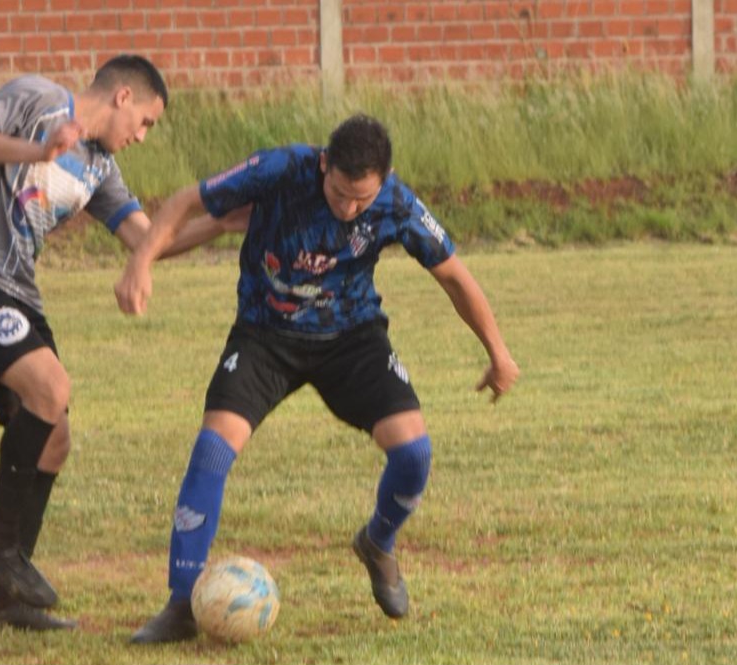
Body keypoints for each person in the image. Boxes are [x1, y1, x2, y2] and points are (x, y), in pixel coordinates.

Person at [115, 113, 520, 643]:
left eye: (362, 200)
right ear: (325, 165)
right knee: (212, 451)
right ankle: (180, 604)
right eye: (339, 193)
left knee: (414, 454)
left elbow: (454, 276)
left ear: (384, 180)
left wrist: (498, 353)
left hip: (351, 339)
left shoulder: (396, 202)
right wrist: (140, 261)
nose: (349, 208)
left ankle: (377, 543)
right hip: (265, 335)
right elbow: (188, 200)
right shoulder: (282, 168)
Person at [0, 55, 240, 632]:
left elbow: (147, 241)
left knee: (55, 440)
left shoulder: (100, 167)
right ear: (122, 97)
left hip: (16, 292)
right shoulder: (37, 98)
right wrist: (36, 152)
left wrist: (217, 223)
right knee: (51, 387)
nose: (141, 136)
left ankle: (5, 603)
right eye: (144, 122)